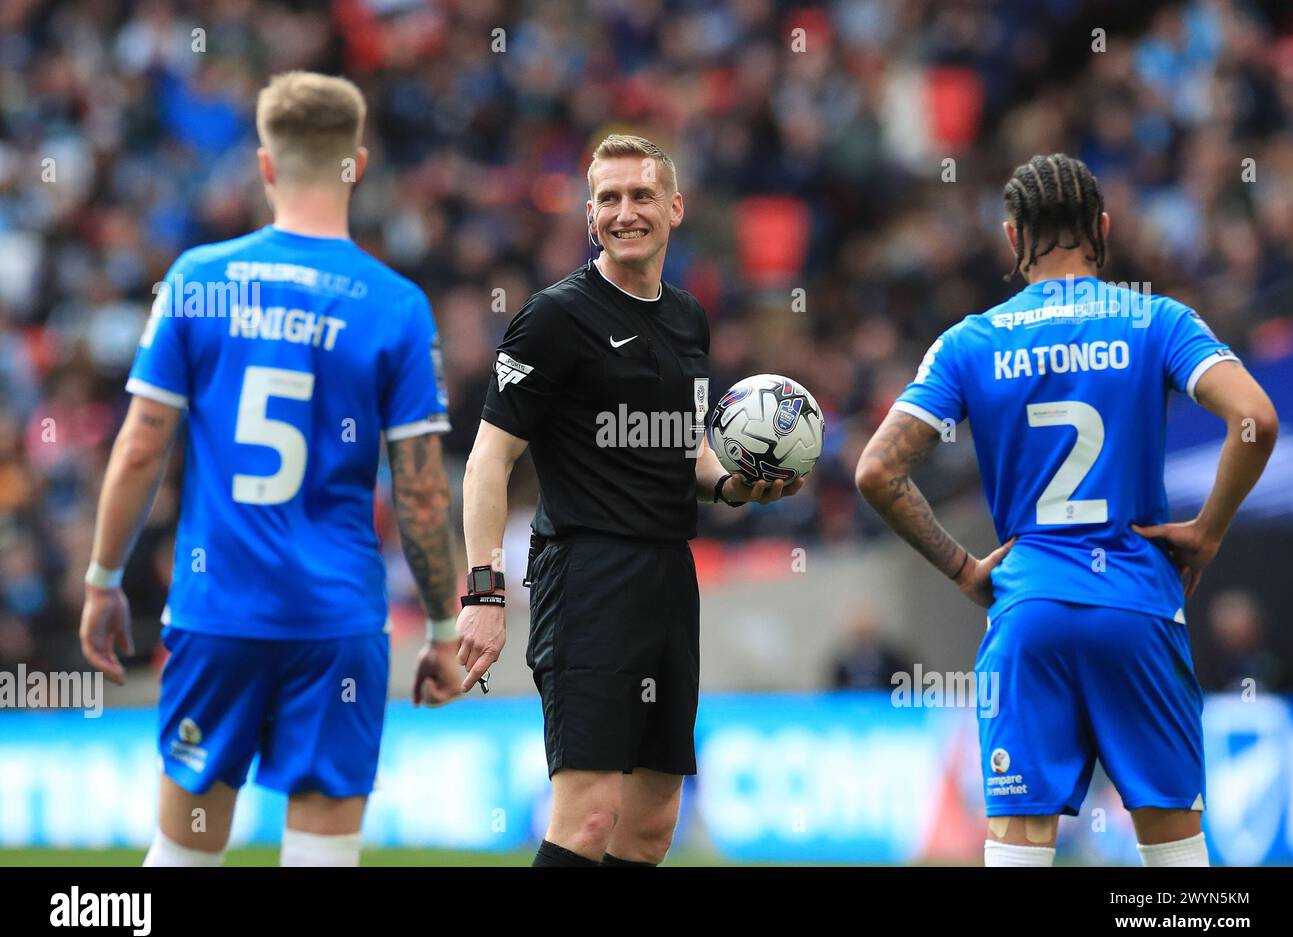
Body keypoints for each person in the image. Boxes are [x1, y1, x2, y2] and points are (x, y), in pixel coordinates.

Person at [79, 71, 464, 867]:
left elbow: (143, 442)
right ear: (355, 164)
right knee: (321, 859)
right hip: (336, 621)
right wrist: (444, 628)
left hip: (217, 608)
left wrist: (102, 578)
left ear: (264, 165)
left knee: (182, 854)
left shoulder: (197, 279)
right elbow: (421, 489)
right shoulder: (393, 304)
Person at [855, 153, 1277, 867]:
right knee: (1173, 845)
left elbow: (876, 470)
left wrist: (962, 567)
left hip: (1030, 610)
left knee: (1020, 844)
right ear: (1103, 228)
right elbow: (1258, 421)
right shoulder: (1156, 319)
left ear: (1013, 235)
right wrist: (1205, 533)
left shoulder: (970, 342)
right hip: (1137, 605)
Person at [456, 134, 806, 866]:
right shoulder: (553, 320)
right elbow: (489, 459)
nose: (625, 212)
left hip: (669, 578)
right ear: (589, 216)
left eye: (641, 195)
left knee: (650, 825)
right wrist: (484, 591)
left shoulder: (688, 320)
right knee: (587, 818)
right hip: (586, 576)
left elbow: (693, 458)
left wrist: (741, 484)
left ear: (674, 208)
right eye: (609, 199)